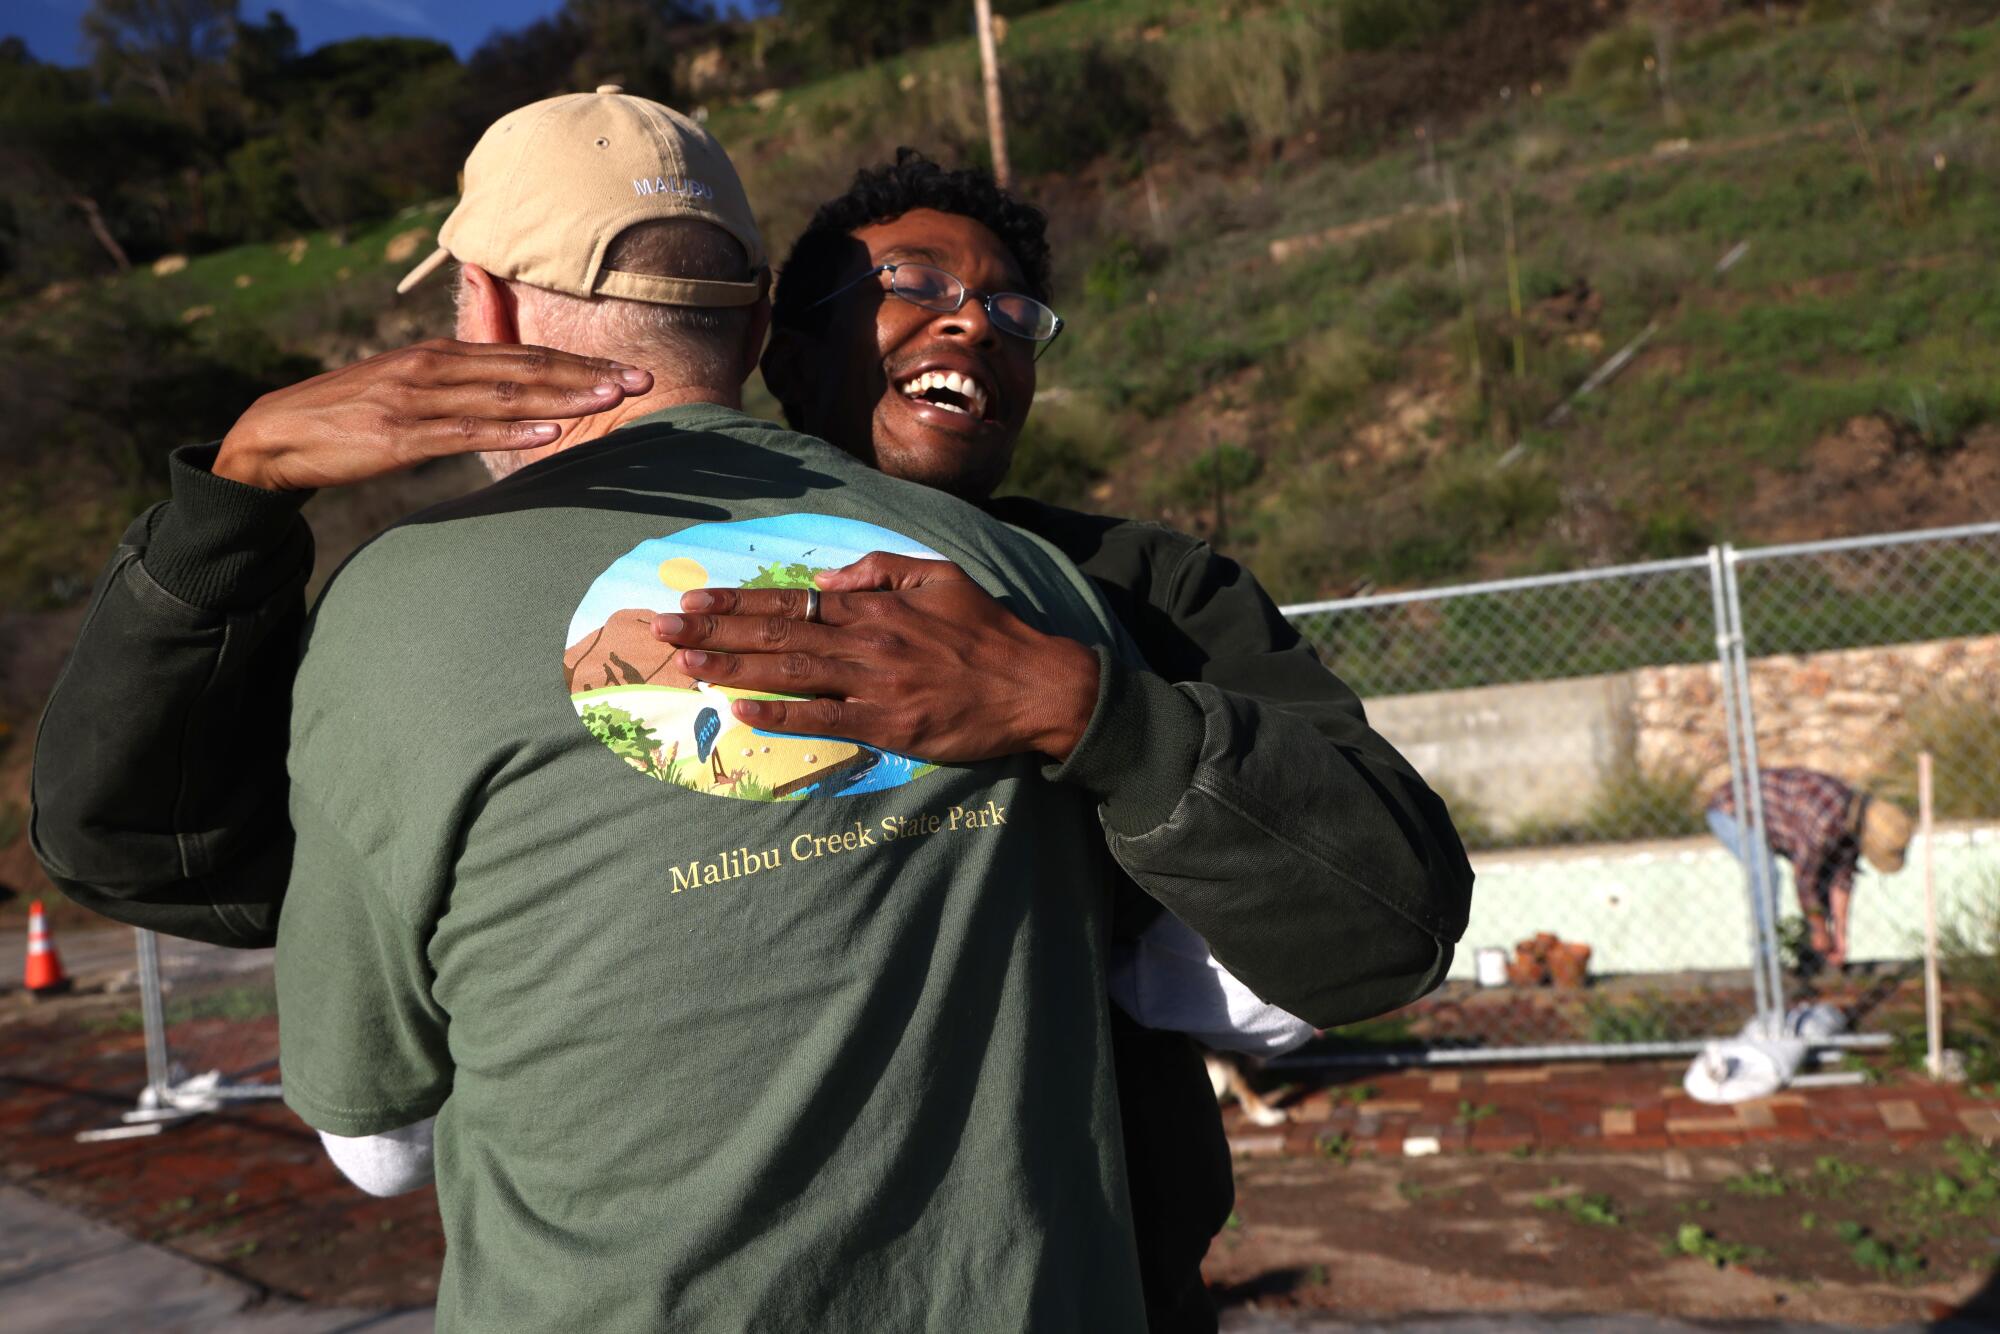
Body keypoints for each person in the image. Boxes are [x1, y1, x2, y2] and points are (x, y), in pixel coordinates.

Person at [30, 103, 1471, 1332]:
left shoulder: (1106, 591)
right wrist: (232, 500)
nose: (971, 316)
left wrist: (1086, 716)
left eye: (1012, 305)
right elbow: (146, 844)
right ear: (781, 331)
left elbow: (1362, 924)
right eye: (910, 279)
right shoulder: (483, 619)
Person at [1707, 767, 1911, 972]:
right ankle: (1765, 961)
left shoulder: (1852, 820)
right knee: (1765, 871)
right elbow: (1804, 879)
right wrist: (1819, 929)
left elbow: (1842, 879)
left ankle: (1813, 958)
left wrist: (1840, 936)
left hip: (1778, 821)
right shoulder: (1823, 822)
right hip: (1732, 807)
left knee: (1824, 877)